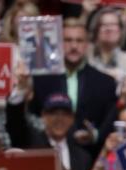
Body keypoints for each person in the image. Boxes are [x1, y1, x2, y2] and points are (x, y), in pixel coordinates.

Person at [28, 17, 118, 152]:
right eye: (68, 40)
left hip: (89, 155)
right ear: (58, 43)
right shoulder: (41, 79)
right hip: (48, 152)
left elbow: (110, 120)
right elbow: (31, 116)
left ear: (87, 44)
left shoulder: (105, 82)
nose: (74, 46)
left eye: (79, 41)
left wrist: (95, 135)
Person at [6, 92, 92, 170]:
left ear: (72, 118)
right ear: (43, 115)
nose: (59, 119)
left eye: (65, 114)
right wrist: (19, 91)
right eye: (53, 113)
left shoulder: (83, 157)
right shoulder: (30, 142)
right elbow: (15, 122)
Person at [87, 6, 126, 84]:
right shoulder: (87, 58)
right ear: (96, 30)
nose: (109, 28)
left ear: (121, 30)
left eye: (113, 24)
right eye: (104, 25)